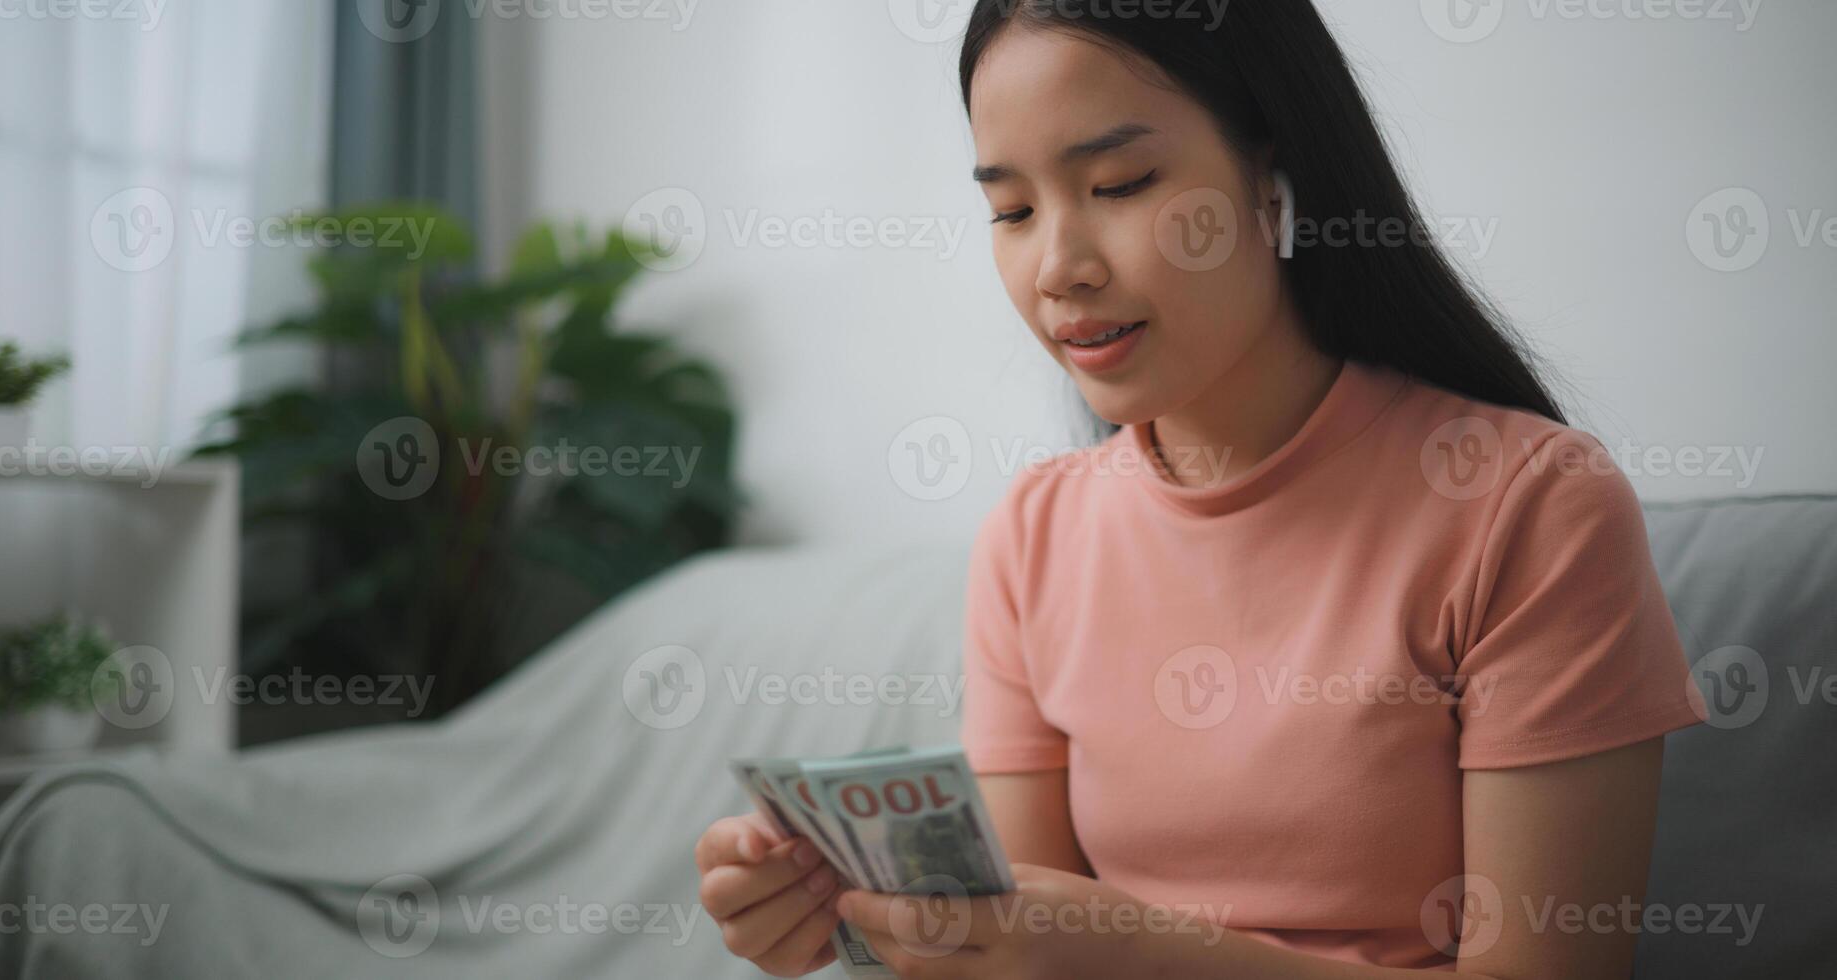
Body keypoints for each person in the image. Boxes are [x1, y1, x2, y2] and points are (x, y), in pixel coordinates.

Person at [695, 2, 1707, 976]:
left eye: (1122, 183)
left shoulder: (1527, 505)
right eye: (1009, 209)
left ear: (1273, 175)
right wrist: (844, 917)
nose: (1057, 266)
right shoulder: (1035, 533)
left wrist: (1140, 953)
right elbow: (1007, 946)